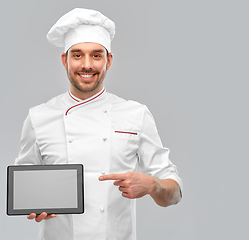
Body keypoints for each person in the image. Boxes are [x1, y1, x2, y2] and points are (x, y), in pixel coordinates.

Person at [15, 8, 183, 240]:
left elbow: (174, 193)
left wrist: (154, 185)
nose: (87, 65)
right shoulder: (39, 117)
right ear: (64, 60)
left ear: (109, 60)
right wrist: (33, 204)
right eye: (77, 55)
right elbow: (24, 187)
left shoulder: (136, 114)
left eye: (96, 55)